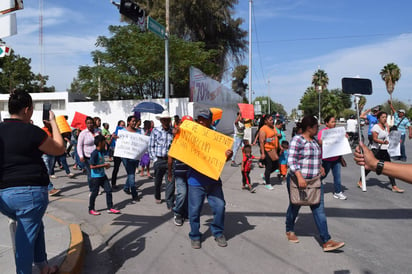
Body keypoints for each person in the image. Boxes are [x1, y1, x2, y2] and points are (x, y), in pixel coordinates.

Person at [0, 90, 64, 273]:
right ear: (27, 110)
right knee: (25, 240)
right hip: (29, 195)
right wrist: (53, 121)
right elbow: (59, 148)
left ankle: (42, 265)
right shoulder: (33, 132)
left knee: (37, 225)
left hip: (4, 196)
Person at [286, 115, 345, 252]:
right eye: (316, 127)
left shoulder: (313, 142)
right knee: (295, 206)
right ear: (309, 128)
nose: (318, 129)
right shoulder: (298, 140)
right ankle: (289, 229)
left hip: (315, 181)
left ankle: (326, 241)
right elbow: (292, 160)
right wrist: (299, 176)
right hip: (297, 181)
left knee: (319, 210)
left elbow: (316, 157)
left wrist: (320, 167)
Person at [188, 108, 233, 249]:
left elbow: (221, 159)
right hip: (195, 182)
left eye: (205, 119)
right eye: (200, 119)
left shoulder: (217, 137)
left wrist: (228, 156)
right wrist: (176, 135)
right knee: (194, 211)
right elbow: (180, 149)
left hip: (213, 180)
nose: (202, 122)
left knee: (220, 206)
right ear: (197, 121)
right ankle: (195, 235)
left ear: (210, 121)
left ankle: (218, 232)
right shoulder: (190, 135)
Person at [356, 111, 404, 193]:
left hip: (384, 150)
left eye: (385, 117)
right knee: (370, 167)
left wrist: (395, 140)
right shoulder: (375, 127)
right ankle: (360, 181)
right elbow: (374, 139)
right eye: (383, 117)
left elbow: (388, 136)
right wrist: (383, 142)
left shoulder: (386, 127)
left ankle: (394, 186)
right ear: (378, 118)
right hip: (376, 150)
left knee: (390, 167)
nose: (385, 119)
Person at [168, 115, 193, 226]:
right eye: (185, 123)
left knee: (188, 194)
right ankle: (178, 213)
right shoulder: (176, 137)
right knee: (182, 193)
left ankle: (186, 213)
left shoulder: (195, 138)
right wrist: (169, 171)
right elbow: (171, 155)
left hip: (192, 172)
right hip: (180, 171)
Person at [88, 135, 121, 215]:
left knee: (108, 190)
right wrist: (104, 165)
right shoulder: (95, 153)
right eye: (103, 141)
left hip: (102, 175)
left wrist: (112, 138)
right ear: (100, 143)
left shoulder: (101, 151)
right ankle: (91, 209)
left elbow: (108, 146)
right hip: (96, 177)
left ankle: (110, 207)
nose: (105, 143)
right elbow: (92, 166)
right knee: (95, 192)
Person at [318, 116, 347, 200]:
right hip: (326, 159)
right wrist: (328, 139)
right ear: (326, 123)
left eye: (335, 122)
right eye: (332, 122)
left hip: (336, 158)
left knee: (337, 176)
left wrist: (344, 138)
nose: (334, 124)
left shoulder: (338, 132)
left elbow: (341, 144)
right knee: (323, 175)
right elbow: (320, 142)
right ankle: (314, 185)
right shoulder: (323, 132)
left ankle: (338, 192)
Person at [149, 110, 174, 207]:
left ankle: (170, 202)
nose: (166, 122)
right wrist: (154, 160)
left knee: (170, 182)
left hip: (170, 161)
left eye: (168, 120)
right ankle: (157, 195)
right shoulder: (155, 131)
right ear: (161, 121)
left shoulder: (173, 131)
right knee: (158, 181)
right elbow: (151, 146)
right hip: (159, 160)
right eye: (164, 120)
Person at [77, 116, 101, 192]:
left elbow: (100, 142)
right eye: (88, 123)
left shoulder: (97, 131)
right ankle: (92, 189)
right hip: (87, 156)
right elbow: (79, 145)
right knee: (90, 174)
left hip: (97, 156)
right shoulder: (83, 133)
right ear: (86, 124)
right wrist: (81, 156)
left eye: (91, 123)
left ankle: (96, 187)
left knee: (97, 173)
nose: (90, 124)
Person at [121, 115, 141, 202]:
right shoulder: (123, 131)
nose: (134, 122)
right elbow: (120, 143)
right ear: (128, 122)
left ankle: (126, 187)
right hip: (125, 157)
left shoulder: (139, 132)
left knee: (131, 173)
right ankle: (134, 194)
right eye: (132, 121)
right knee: (131, 175)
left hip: (135, 156)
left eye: (135, 121)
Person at [259, 114, 279, 190]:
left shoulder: (273, 127)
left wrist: (279, 147)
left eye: (272, 119)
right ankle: (267, 183)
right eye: (270, 120)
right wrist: (263, 153)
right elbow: (261, 142)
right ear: (265, 121)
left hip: (273, 150)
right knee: (269, 166)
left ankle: (265, 175)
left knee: (276, 165)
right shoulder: (263, 129)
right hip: (266, 150)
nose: (272, 121)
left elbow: (275, 136)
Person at [110, 120, 126, 189]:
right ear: (118, 126)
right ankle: (113, 183)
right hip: (117, 153)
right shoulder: (114, 133)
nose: (123, 127)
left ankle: (130, 184)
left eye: (124, 125)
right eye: (121, 125)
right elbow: (110, 144)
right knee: (116, 168)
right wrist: (113, 137)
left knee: (128, 169)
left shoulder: (126, 133)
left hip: (124, 152)